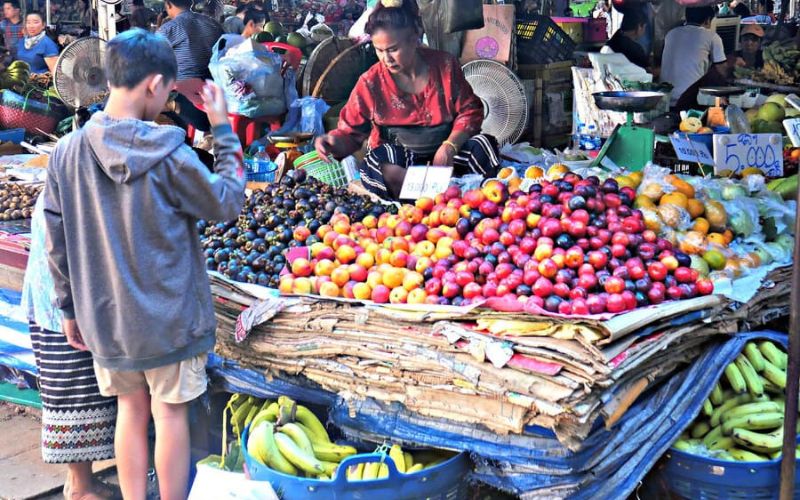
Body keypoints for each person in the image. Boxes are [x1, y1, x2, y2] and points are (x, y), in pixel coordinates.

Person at [43, 28, 245, 500]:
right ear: (155, 84)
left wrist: (68, 307)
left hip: (107, 319)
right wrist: (222, 130)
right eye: (169, 91)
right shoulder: (170, 153)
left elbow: (55, 239)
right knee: (169, 414)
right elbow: (227, 202)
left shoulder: (67, 153)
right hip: (171, 320)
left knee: (130, 412)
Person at [315, 0, 499, 200]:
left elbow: (470, 110)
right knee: (380, 161)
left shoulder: (445, 66)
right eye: (379, 50)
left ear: (414, 39)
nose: (386, 59)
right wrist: (333, 141)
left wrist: (449, 147)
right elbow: (350, 133)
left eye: (393, 49)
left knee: (484, 146)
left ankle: (459, 196)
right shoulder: (370, 82)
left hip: (447, 160)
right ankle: (421, 204)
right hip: (404, 167)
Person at [23, 198, 118, 500]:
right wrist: (68, 307)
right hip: (62, 300)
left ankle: (80, 482)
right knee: (74, 392)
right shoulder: (74, 169)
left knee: (80, 389)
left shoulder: (76, 162)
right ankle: (81, 488)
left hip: (66, 296)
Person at [660, 6, 727, 106]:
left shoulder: (671, 33)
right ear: (708, 20)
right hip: (690, 98)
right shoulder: (712, 36)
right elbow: (721, 69)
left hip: (665, 97)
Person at [158, 0, 223, 81]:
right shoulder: (213, 23)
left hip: (184, 86)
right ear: (191, 4)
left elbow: (152, 58)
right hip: (214, 84)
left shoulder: (169, 28)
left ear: (168, 4)